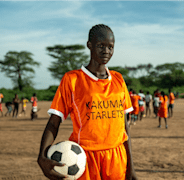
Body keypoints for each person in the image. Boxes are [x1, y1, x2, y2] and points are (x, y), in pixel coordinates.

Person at [37, 24, 137, 180]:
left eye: (110, 47)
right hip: (86, 160)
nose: (106, 51)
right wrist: (42, 155)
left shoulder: (118, 79)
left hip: (117, 159)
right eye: (101, 46)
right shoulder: (72, 79)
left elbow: (125, 128)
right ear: (89, 45)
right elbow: (54, 122)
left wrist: (131, 168)